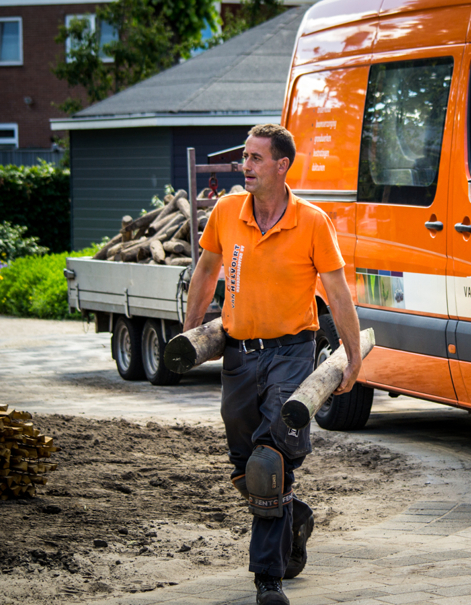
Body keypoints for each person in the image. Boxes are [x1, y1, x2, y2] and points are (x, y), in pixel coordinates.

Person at [182, 124, 362, 605]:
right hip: (240, 354)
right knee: (245, 466)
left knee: (269, 461)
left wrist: (352, 358)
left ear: (282, 166)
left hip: (292, 352)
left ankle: (268, 578)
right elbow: (205, 271)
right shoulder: (225, 212)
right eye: (245, 157)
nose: (246, 166)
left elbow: (339, 295)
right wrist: (193, 332)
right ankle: (291, 514)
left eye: (256, 158)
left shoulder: (312, 222)